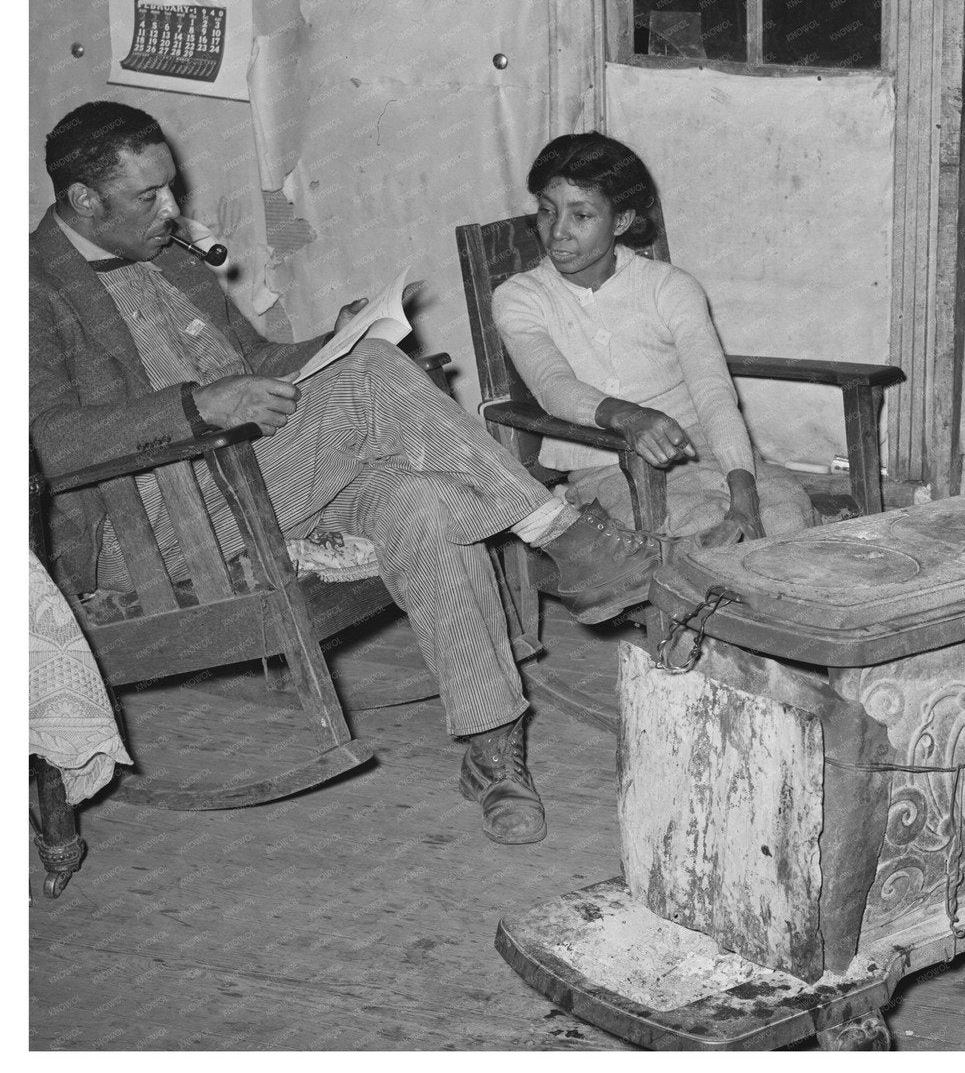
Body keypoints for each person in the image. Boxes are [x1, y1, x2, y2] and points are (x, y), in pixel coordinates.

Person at [30, 101, 661, 846]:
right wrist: (196, 405)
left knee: (420, 497)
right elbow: (42, 441)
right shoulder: (31, 287)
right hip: (159, 526)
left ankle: (492, 746)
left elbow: (256, 366)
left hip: (254, 481)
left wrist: (339, 337)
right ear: (83, 201)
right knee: (368, 382)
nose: (174, 208)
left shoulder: (166, 257)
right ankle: (559, 532)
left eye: (171, 188)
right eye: (150, 196)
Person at [493, 132, 814, 548]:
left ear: (622, 221)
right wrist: (629, 416)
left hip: (705, 449)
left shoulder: (669, 287)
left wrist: (743, 489)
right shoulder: (520, 297)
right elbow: (554, 387)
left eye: (582, 216)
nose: (558, 233)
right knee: (699, 532)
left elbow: (712, 391)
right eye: (547, 212)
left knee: (787, 516)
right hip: (606, 467)